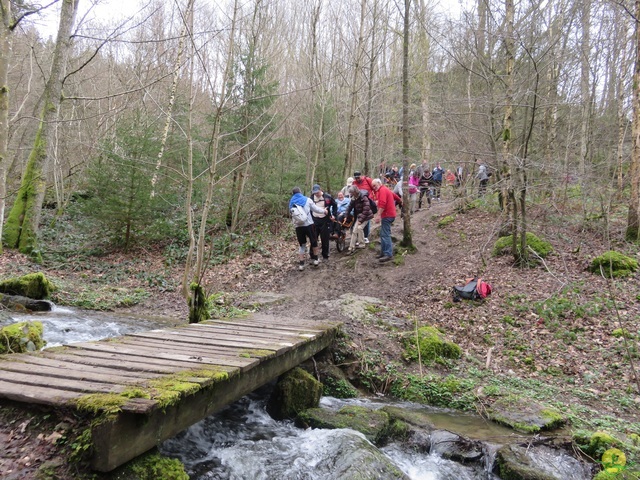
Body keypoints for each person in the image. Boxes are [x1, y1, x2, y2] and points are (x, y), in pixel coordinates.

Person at [289, 187, 326, 270]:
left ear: (293, 194)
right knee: (313, 241)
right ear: (300, 192)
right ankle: (316, 259)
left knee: (302, 245)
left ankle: (301, 264)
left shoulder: (291, 202)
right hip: (309, 224)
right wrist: (324, 211)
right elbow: (316, 209)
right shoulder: (307, 200)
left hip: (298, 226)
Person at [310, 184, 338, 262]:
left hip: (325, 220)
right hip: (314, 220)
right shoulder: (311, 198)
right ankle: (313, 256)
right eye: (315, 193)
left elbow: (335, 205)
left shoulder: (327, 197)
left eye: (317, 192)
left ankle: (325, 256)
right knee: (313, 238)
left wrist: (334, 215)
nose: (316, 194)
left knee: (325, 239)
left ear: (320, 190)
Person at [372, 178, 395, 262]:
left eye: (374, 185)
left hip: (387, 215)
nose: (373, 187)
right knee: (383, 234)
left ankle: (388, 254)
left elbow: (383, 204)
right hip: (387, 215)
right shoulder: (383, 190)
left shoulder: (382, 190)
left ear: (379, 183)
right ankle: (383, 252)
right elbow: (391, 196)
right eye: (372, 186)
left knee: (385, 234)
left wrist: (378, 215)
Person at [345, 185, 374, 254]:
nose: (350, 194)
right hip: (359, 216)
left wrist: (360, 220)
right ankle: (351, 247)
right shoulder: (354, 198)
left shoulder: (363, 197)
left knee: (360, 228)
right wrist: (346, 215)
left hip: (366, 216)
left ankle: (362, 244)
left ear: (355, 192)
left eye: (351, 192)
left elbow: (366, 209)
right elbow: (349, 207)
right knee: (354, 231)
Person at [353, 171, 374, 243]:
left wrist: (375, 198)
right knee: (359, 218)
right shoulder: (354, 183)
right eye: (356, 178)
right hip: (358, 203)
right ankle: (359, 236)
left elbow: (374, 188)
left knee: (366, 218)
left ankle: (365, 236)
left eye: (358, 177)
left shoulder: (367, 180)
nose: (357, 179)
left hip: (368, 201)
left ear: (361, 176)